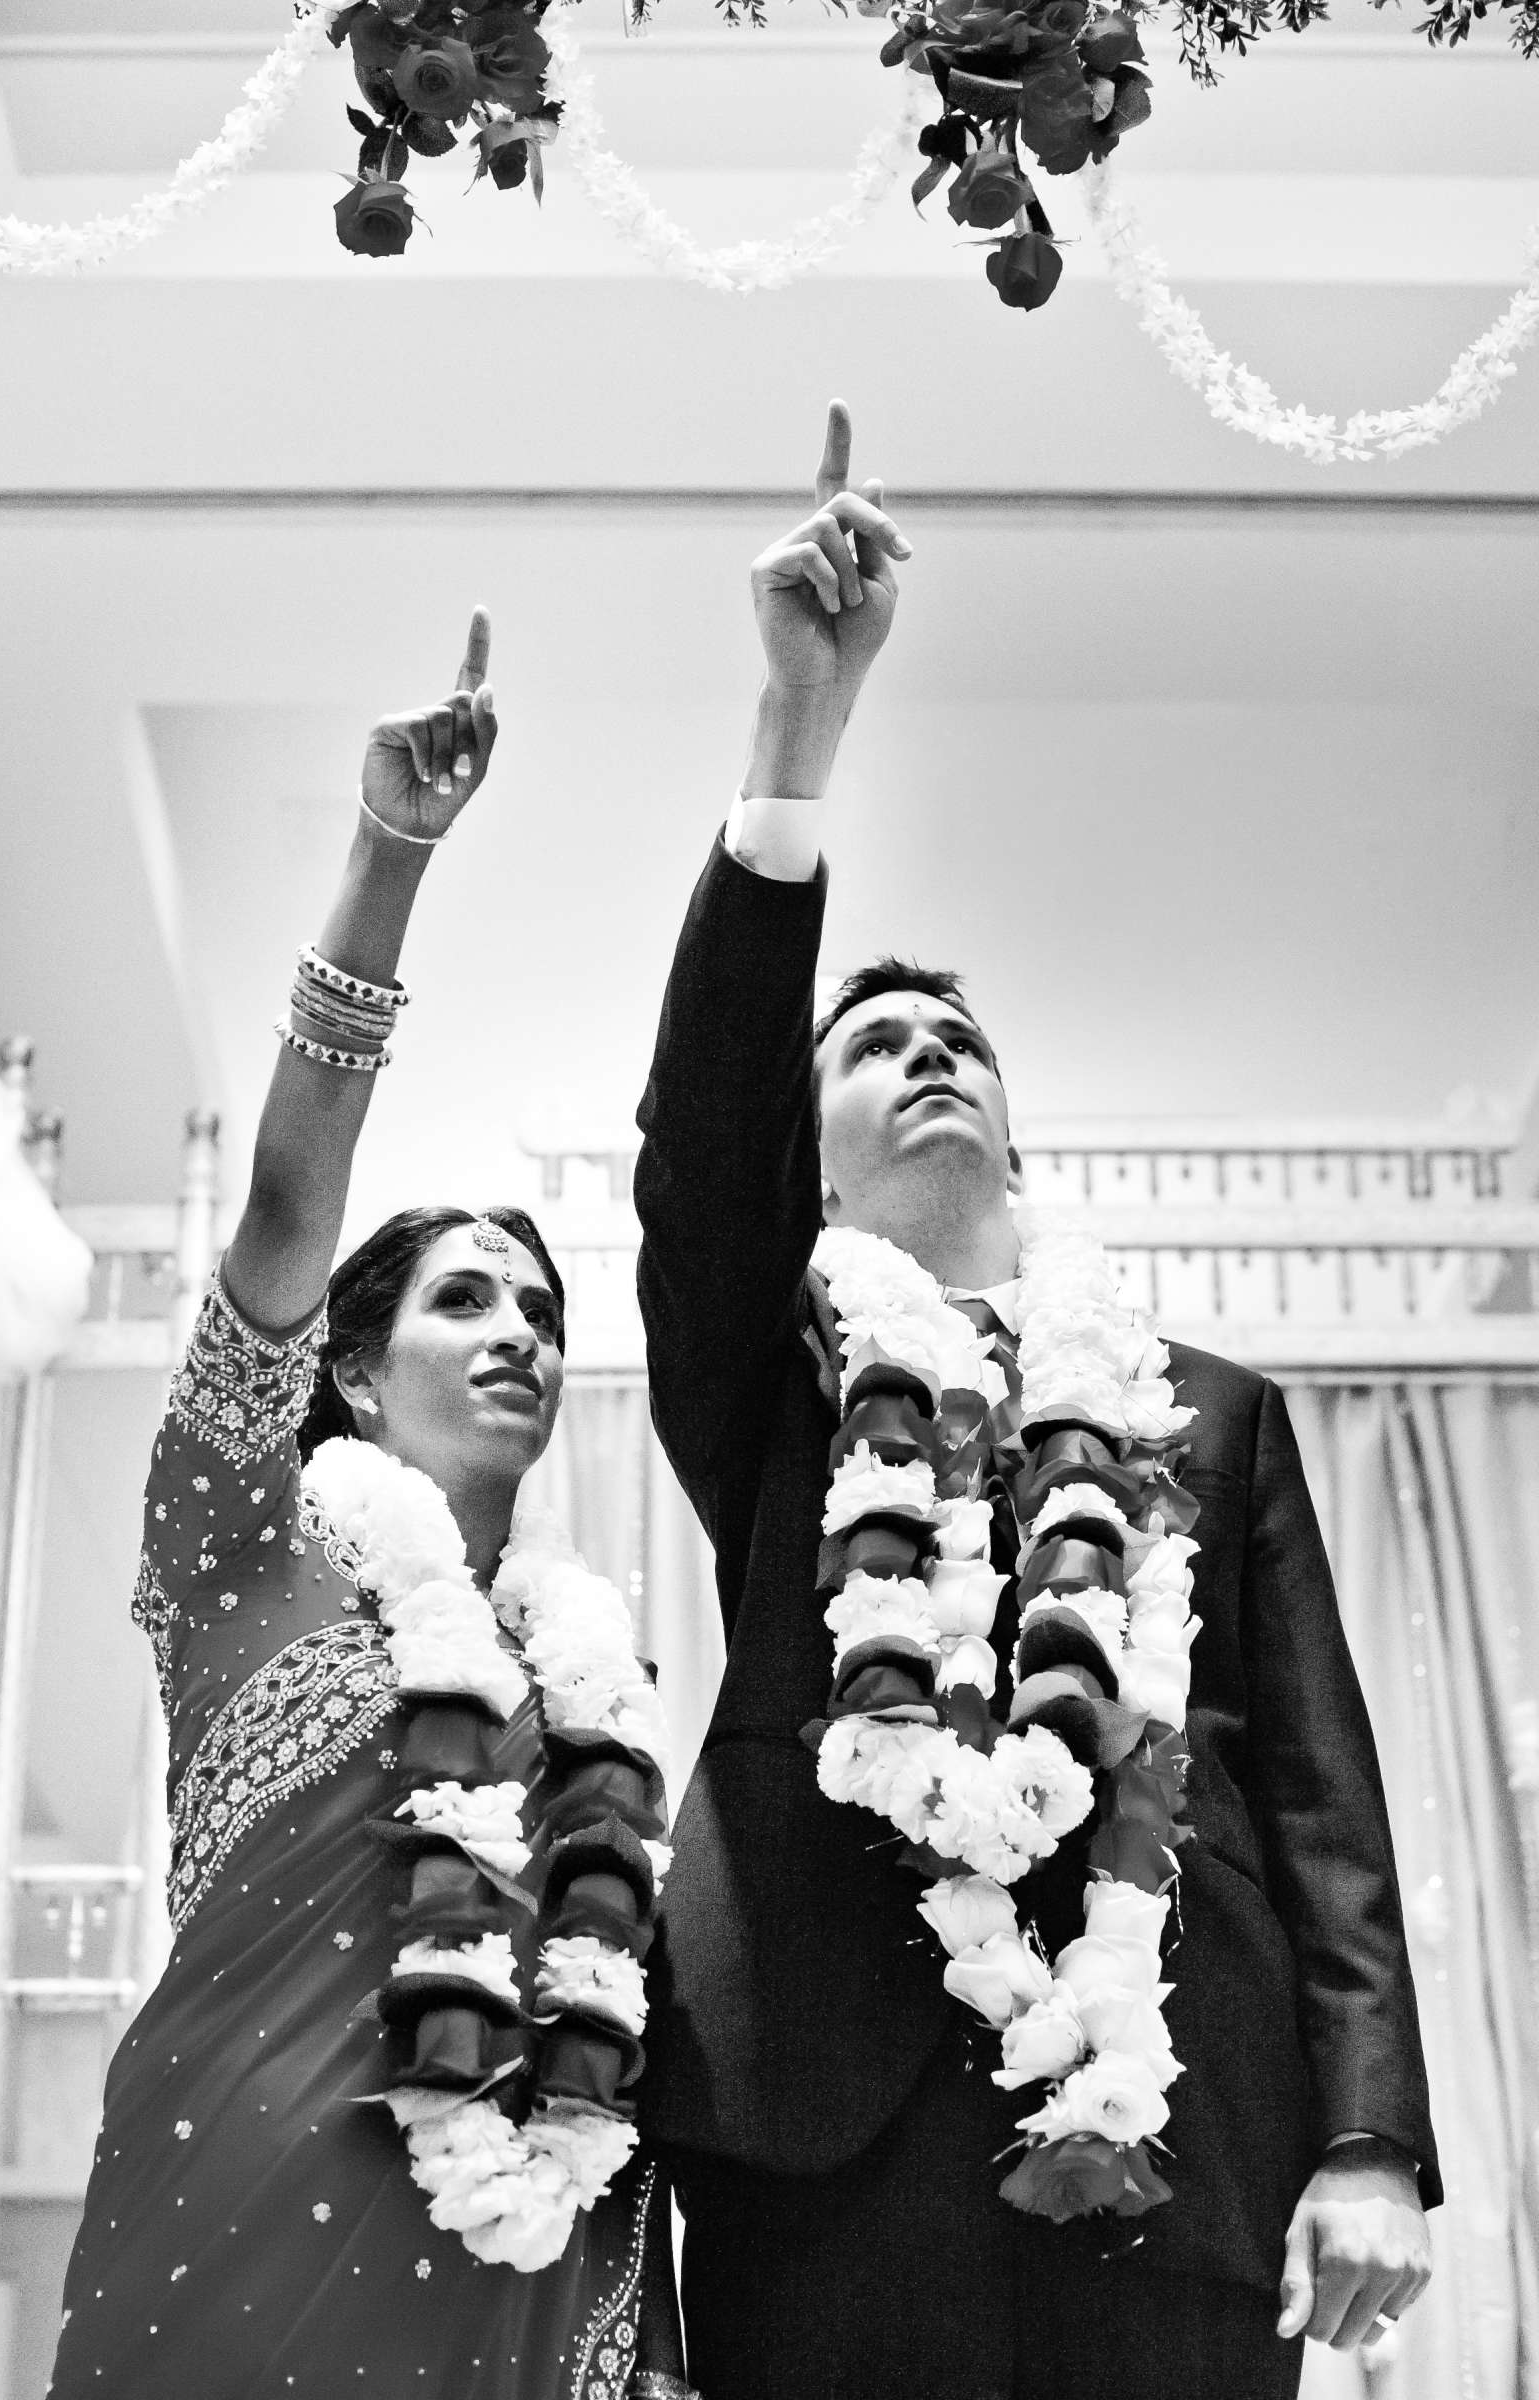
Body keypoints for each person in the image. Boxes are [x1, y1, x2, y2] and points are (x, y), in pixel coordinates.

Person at [633, 405, 1440, 2400]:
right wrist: (793, 743)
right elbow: (703, 1139)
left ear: (1012, 1118)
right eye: (873, 1044)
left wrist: (1363, 2138)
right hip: (813, 2120)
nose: (925, 1058)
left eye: (956, 1039)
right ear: (810, 1163)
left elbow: (1317, 1797)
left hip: (1167, 2096)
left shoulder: (1204, 1412)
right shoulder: (769, 1380)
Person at [51, 613, 683, 2400]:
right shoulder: (238, 1548)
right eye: (466, 1300)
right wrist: (387, 862)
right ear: (343, 1365)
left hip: (527, 2285)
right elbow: (277, 1216)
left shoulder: (593, 1697)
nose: (521, 1338)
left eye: (546, 1315)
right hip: (229, 2243)